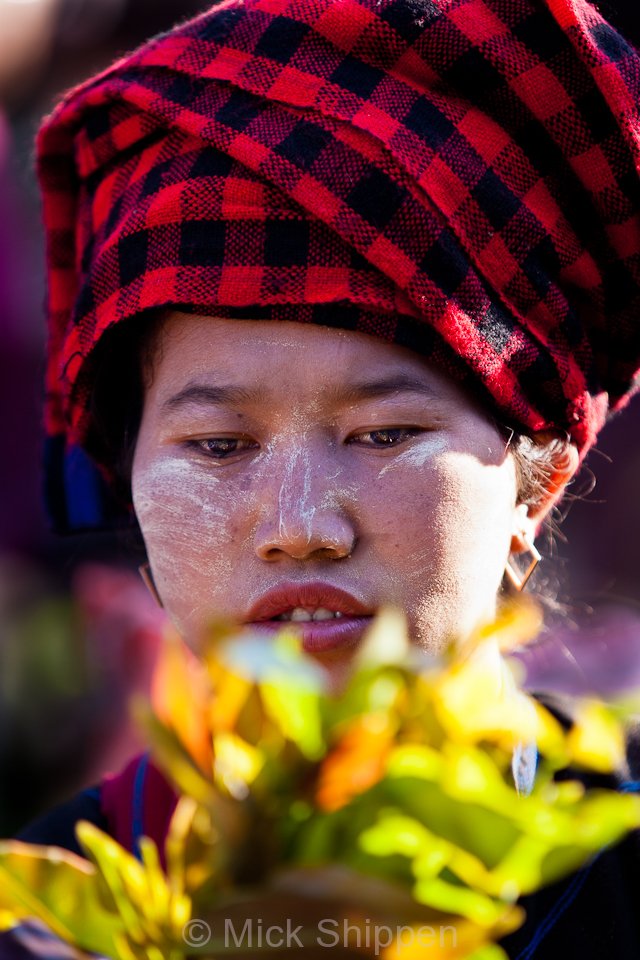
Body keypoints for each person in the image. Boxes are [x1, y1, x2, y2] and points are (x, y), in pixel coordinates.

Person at [8, 0, 640, 956]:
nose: (301, 526)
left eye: (384, 432)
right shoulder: (55, 915)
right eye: (218, 447)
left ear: (534, 482)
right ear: (129, 481)